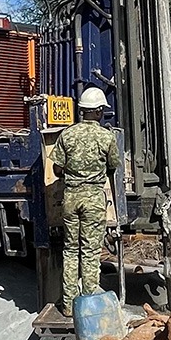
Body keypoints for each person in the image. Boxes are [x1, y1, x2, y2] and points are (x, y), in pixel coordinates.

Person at [50, 86, 121, 317]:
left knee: (70, 250)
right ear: (99, 111)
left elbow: (57, 168)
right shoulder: (106, 136)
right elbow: (113, 166)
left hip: (71, 198)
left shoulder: (67, 135)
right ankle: (89, 305)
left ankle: (69, 306)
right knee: (90, 251)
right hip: (93, 199)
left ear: (82, 110)